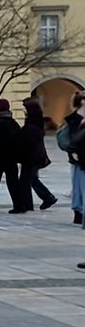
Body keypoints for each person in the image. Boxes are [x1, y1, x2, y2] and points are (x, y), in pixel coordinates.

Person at [17, 99, 57, 212]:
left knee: (25, 181)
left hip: (32, 157)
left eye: (25, 109)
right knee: (31, 179)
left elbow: (28, 143)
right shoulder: (35, 122)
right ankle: (45, 198)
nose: (24, 111)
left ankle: (44, 198)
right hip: (34, 156)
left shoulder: (32, 125)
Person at [65, 92, 85, 228]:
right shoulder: (75, 119)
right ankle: (78, 212)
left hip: (79, 157)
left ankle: (79, 212)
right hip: (79, 157)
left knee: (79, 186)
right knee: (79, 187)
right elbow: (73, 140)